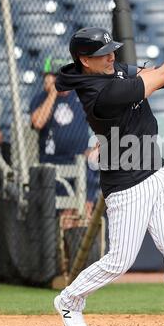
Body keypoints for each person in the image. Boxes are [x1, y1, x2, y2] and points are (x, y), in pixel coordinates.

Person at [54, 27, 164, 326]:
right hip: (126, 180)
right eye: (102, 55)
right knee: (120, 260)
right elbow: (163, 75)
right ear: (83, 61)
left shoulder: (112, 69)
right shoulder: (99, 95)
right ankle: (68, 299)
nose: (111, 58)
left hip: (156, 170)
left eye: (111, 51)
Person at [30, 57, 99, 217]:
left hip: (80, 160)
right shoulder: (40, 99)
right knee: (64, 214)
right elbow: (38, 122)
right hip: (53, 163)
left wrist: (93, 146)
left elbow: (101, 121)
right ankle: (67, 230)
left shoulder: (81, 96)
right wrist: (53, 92)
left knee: (85, 206)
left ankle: (81, 229)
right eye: (51, 76)